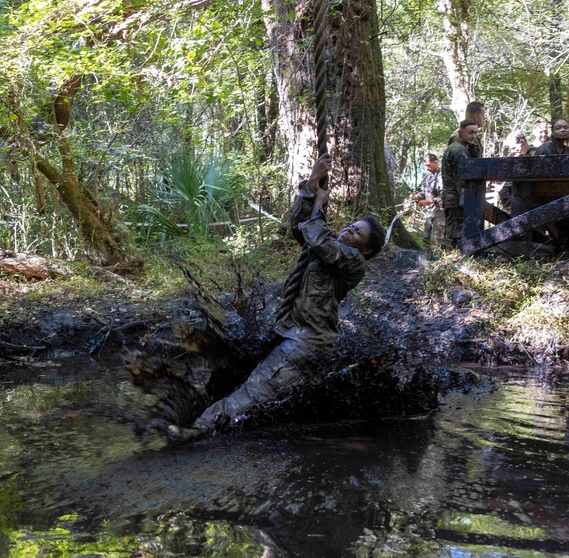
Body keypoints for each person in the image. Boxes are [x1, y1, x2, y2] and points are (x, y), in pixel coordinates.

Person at [168, 154, 385, 441]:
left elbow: (318, 241)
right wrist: (310, 184)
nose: (348, 230)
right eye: (350, 225)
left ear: (366, 249)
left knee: (256, 389)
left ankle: (199, 429)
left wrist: (319, 207)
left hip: (306, 340)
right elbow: (299, 227)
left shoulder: (354, 261)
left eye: (357, 232)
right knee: (256, 379)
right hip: (291, 331)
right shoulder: (330, 243)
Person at [442, 119, 478, 249]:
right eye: (470, 132)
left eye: (475, 133)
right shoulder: (459, 151)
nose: (473, 136)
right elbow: (461, 180)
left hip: (451, 197)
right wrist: (467, 201)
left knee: (452, 232)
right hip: (455, 199)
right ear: (461, 132)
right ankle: (450, 261)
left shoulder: (456, 148)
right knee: (455, 234)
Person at [410, 154, 445, 247]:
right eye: (425, 166)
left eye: (429, 165)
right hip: (430, 211)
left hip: (440, 211)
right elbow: (423, 192)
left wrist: (429, 201)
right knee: (426, 237)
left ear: (436, 163)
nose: (427, 168)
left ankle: (437, 258)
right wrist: (416, 197)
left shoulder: (442, 176)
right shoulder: (427, 177)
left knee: (436, 237)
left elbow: (445, 195)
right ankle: (427, 257)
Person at [496, 130, 531, 212]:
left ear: (522, 141)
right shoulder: (517, 159)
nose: (512, 151)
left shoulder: (536, 153)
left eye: (514, 148)